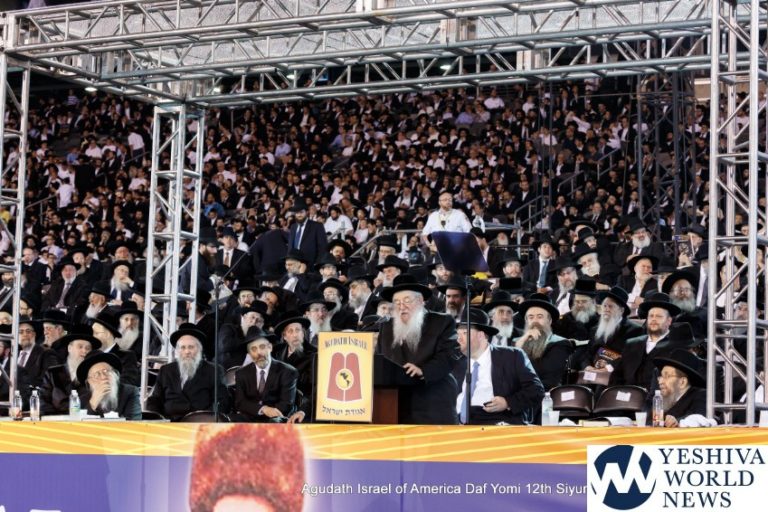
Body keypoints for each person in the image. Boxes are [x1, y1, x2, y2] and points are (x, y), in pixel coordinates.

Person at [377, 274, 461, 424]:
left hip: (432, 402)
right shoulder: (386, 327)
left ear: (421, 301)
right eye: (396, 302)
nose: (401, 306)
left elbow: (450, 355)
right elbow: (380, 360)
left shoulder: (442, 321)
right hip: (394, 404)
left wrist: (424, 371)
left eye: (407, 300)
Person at [454, 308, 544, 425]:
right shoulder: (456, 363)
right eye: (458, 334)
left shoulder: (512, 356)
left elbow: (536, 390)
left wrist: (507, 402)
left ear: (481, 335)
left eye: (465, 333)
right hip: (457, 423)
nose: (459, 339)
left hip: (497, 421)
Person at [145, 323, 230, 421]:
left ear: (199, 349)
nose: (187, 352)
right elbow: (154, 400)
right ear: (177, 351)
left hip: (199, 423)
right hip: (169, 423)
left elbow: (221, 402)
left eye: (191, 347)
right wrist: (158, 420)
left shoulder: (213, 370)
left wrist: (206, 419)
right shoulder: (166, 370)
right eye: (183, 347)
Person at [233, 327, 298, 422]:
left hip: (276, 418)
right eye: (253, 349)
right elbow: (240, 402)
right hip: (250, 416)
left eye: (262, 347)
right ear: (249, 353)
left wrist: (270, 412)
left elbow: (286, 404)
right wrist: (263, 409)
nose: (259, 352)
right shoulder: (241, 373)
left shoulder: (288, 371)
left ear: (270, 347)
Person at [513, 294, 572, 391]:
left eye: (540, 317)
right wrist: (520, 345)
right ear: (526, 321)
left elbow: (550, 380)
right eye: (531, 317)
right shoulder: (516, 342)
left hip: (543, 394)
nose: (535, 321)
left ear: (549, 320)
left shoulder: (560, 344)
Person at [39, 324, 101, 415]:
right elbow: (43, 401)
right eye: (80, 347)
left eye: (88, 348)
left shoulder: (94, 376)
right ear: (69, 348)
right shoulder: (53, 373)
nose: (84, 351)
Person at [76, 351, 141, 420]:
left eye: (106, 371)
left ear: (114, 374)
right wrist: (93, 403)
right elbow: (79, 424)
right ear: (89, 381)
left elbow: (134, 422)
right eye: (97, 374)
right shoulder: (82, 399)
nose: (104, 377)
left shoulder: (130, 392)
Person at [653, 349, 708, 427]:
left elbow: (700, 418)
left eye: (667, 376)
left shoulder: (701, 395)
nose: (660, 381)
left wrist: (678, 421)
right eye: (661, 376)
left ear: (682, 382)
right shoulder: (663, 399)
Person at [91, 313, 140, 386]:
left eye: (96, 333)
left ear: (107, 334)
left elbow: (128, 381)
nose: (93, 337)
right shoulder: (92, 355)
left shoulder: (126, 356)